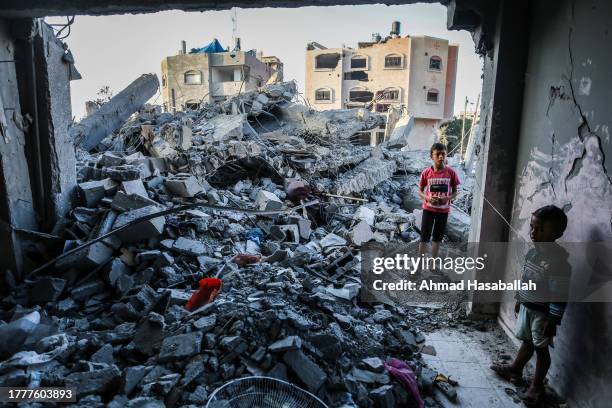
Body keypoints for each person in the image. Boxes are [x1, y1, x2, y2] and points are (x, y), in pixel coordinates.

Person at [490, 205, 570, 406]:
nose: (534, 232)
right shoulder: (533, 254)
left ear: (558, 233)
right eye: (533, 227)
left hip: (543, 314)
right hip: (528, 307)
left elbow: (560, 295)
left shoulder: (559, 263)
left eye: (541, 229)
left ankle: (537, 386)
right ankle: (515, 369)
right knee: (527, 342)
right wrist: (519, 298)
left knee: (541, 349)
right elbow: (526, 278)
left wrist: (553, 320)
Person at [417, 142, 460, 259]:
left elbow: (456, 192)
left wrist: (447, 198)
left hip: (443, 211)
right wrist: (428, 198)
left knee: (437, 237)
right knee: (424, 237)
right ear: (432, 156)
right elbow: (420, 191)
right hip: (428, 210)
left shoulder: (451, 173)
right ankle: (419, 265)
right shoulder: (426, 173)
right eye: (438, 154)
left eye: (443, 154)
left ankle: (432, 264)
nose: (441, 156)